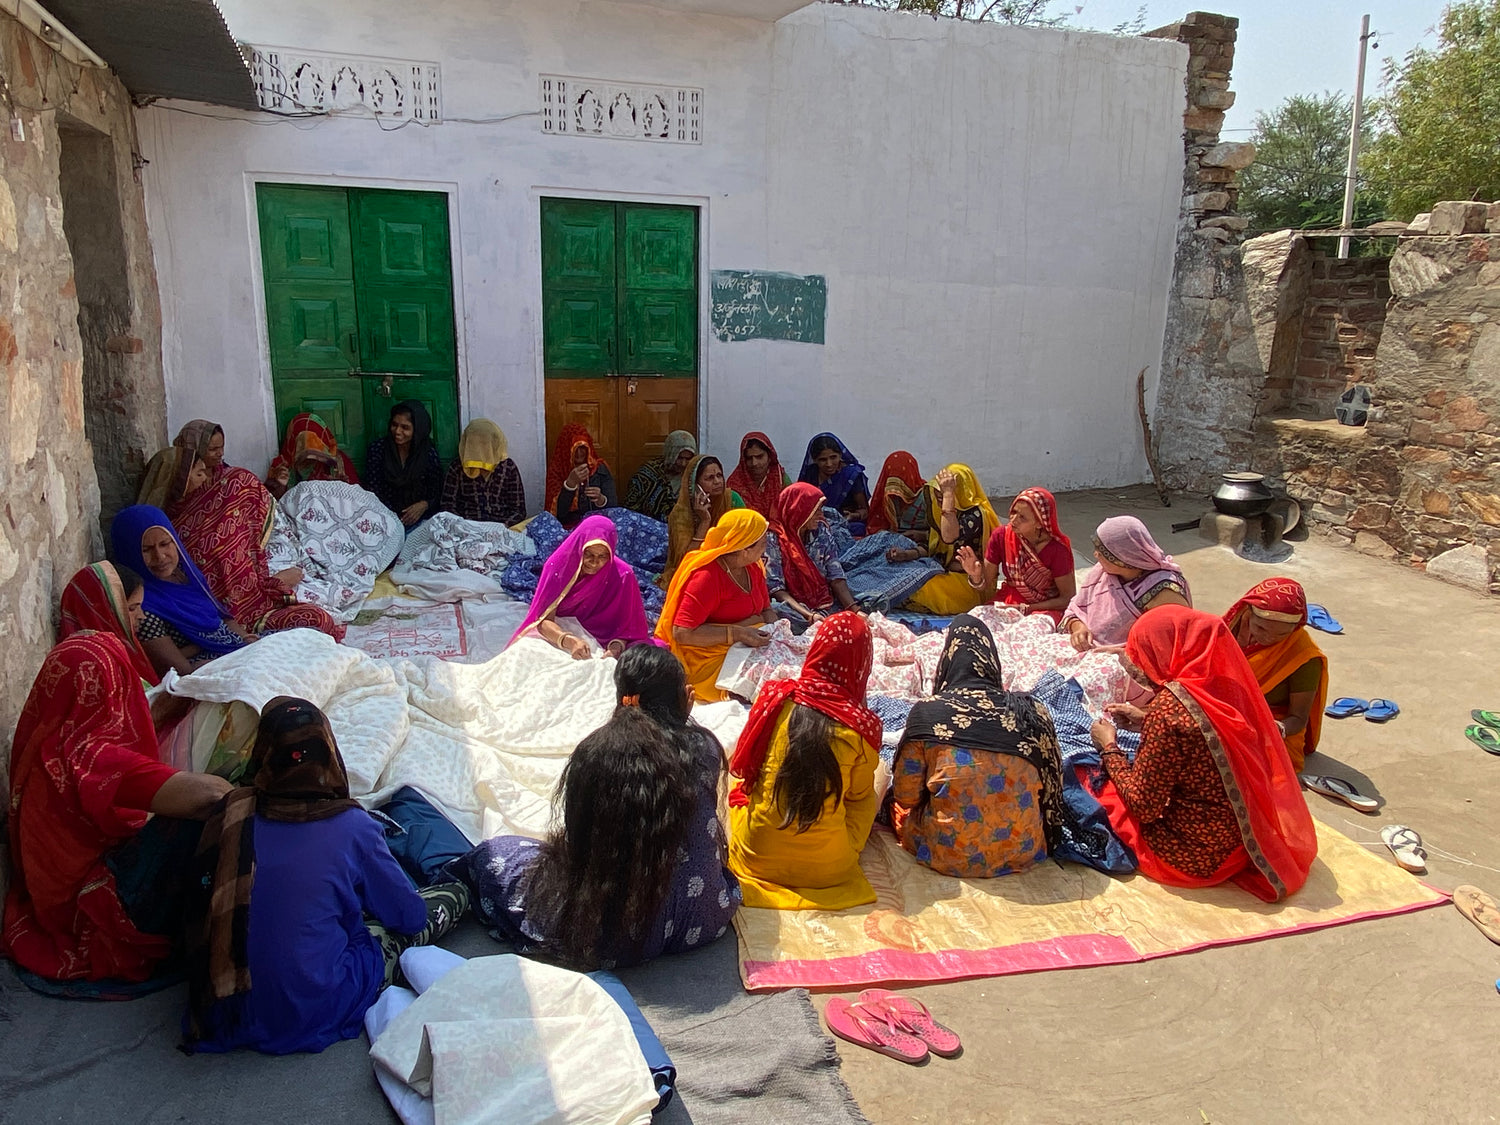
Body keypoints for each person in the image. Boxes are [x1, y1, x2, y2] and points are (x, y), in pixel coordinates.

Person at [182, 698, 467, 1054]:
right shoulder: (352, 826)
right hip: (311, 1004)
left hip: (225, 1005)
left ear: (263, 753)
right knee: (445, 897)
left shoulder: (233, 812)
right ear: (330, 751)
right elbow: (409, 918)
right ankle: (466, 889)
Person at [453, 646, 741, 969]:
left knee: (495, 855)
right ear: (683, 699)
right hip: (702, 918)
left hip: (619, 937)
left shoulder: (595, 754)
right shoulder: (704, 748)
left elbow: (580, 852)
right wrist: (684, 719)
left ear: (622, 697)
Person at [2, 603, 232, 985]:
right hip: (91, 910)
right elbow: (208, 796)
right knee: (201, 820)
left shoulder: (47, 745)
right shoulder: (93, 756)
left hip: (53, 898)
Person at [1088, 605, 1317, 902]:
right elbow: (1206, 733)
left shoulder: (1168, 711)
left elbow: (1143, 805)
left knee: (1094, 787)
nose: (1137, 663)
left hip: (1188, 859)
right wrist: (1145, 718)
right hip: (1239, 847)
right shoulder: (1231, 687)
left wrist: (1109, 746)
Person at [727, 612, 882, 910]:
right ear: (861, 664)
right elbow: (857, 797)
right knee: (878, 775)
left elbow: (750, 767)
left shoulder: (775, 698)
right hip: (829, 870)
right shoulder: (859, 730)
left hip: (756, 857)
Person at [891, 615, 1064, 878]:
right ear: (992, 661)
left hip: (946, 853)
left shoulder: (927, 713)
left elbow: (906, 795)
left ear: (947, 662)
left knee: (890, 803)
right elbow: (1052, 786)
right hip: (1024, 849)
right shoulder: (1031, 711)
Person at [144, 442, 344, 642]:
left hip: (253, 608)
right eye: (198, 474)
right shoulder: (167, 531)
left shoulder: (215, 511)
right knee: (314, 624)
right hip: (222, 624)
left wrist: (272, 585)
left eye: (205, 472)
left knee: (319, 619)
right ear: (177, 481)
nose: (206, 479)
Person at [111, 504, 253, 677]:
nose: (160, 557)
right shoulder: (142, 608)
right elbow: (181, 670)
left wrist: (248, 640)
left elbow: (221, 617)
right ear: (129, 553)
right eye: (146, 550)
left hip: (234, 648)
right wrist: (212, 646)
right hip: (208, 669)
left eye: (164, 544)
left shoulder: (186, 575)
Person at [654, 508, 776, 703]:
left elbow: (766, 611)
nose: (766, 548)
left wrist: (778, 633)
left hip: (749, 642)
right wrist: (739, 632)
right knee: (768, 684)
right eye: (762, 544)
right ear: (745, 549)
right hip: (707, 657)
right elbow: (682, 633)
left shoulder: (752, 567)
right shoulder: (707, 577)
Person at [508, 514, 657, 658]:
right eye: (588, 554)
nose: (594, 562)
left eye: (602, 556)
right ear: (579, 547)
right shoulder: (558, 568)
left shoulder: (623, 576)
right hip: (561, 631)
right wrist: (569, 641)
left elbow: (629, 628)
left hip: (605, 642)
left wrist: (615, 648)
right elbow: (543, 621)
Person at [1224, 578, 1329, 772]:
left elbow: (1298, 718)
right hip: (1224, 709)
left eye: (1281, 635)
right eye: (1261, 628)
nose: (1268, 638)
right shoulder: (1230, 627)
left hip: (1268, 723)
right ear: (1248, 613)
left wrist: (1275, 729)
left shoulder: (1304, 657)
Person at [1062, 516, 1191, 651]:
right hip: (1091, 650)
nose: (1096, 555)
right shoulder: (1102, 572)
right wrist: (1078, 627)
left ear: (1122, 557)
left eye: (1102, 552)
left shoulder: (1164, 591)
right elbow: (1076, 608)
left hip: (1131, 660)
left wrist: (1122, 653)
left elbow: (1171, 646)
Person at [958, 486, 1076, 622]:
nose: (1013, 520)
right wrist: (975, 575)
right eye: (1013, 512)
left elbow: (1067, 598)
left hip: (1044, 608)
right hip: (1009, 601)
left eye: (1022, 517)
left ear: (1039, 523)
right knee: (976, 619)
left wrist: (1028, 608)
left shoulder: (1057, 550)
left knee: (1032, 629)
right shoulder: (1001, 536)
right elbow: (984, 584)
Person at [906, 465, 1001, 616]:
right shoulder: (945, 511)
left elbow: (949, 537)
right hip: (946, 572)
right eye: (938, 496)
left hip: (970, 584)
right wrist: (923, 536)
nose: (940, 502)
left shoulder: (975, 514)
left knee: (918, 585)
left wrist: (948, 495)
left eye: (942, 497)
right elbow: (939, 542)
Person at [765, 481, 857, 623]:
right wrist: (809, 615)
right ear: (799, 510)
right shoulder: (773, 538)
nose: (820, 515)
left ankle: (828, 619)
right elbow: (776, 590)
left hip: (822, 599)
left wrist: (854, 609)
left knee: (874, 598)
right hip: (794, 606)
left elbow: (835, 574)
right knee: (775, 611)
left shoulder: (821, 531)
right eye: (815, 511)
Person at [59, 561, 158, 687]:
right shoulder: (90, 666)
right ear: (104, 612)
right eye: (132, 608)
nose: (142, 616)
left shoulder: (122, 652)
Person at [661, 454, 745, 586]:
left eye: (719, 475)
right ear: (694, 484)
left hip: (731, 565)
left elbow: (746, 540)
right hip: (697, 571)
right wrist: (705, 521)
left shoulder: (732, 499)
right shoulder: (680, 515)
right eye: (709, 478)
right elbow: (685, 562)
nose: (717, 481)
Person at [365, 400, 443, 528]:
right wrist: (392, 517)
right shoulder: (378, 450)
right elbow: (373, 489)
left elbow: (436, 490)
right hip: (384, 516)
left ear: (418, 429)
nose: (397, 431)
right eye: (394, 425)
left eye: (405, 427)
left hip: (420, 518)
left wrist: (423, 505)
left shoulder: (428, 454)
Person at [441, 418, 527, 525]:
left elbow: (519, 510)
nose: (479, 448)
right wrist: (463, 526)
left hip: (502, 528)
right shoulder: (457, 468)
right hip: (467, 528)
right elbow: (448, 505)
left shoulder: (508, 468)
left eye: (484, 443)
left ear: (495, 443)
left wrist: (503, 526)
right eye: (474, 443)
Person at [265, 413, 359, 500]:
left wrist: (339, 485)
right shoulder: (281, 466)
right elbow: (269, 504)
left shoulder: (338, 461)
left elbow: (355, 497)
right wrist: (281, 486)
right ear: (293, 442)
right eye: (302, 443)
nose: (308, 449)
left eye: (314, 443)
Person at [547, 423, 617, 529]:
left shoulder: (599, 469)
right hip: (569, 529)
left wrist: (600, 500)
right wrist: (570, 484)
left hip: (598, 526)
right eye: (575, 449)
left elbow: (613, 507)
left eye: (583, 448)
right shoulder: (558, 471)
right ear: (567, 449)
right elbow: (557, 515)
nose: (579, 454)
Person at [798, 433, 870, 532]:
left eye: (833, 457)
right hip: (816, 523)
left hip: (845, 524)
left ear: (840, 455)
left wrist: (853, 515)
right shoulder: (811, 473)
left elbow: (865, 510)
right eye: (823, 460)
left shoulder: (851, 475)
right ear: (814, 460)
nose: (829, 464)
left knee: (858, 528)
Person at [624, 429, 697, 520]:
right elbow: (630, 509)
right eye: (679, 458)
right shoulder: (647, 475)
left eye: (688, 459)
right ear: (670, 453)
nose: (683, 463)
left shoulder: (694, 476)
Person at [864, 451, 930, 548]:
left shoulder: (928, 497)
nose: (896, 491)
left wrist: (923, 535)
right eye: (892, 484)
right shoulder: (886, 495)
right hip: (890, 544)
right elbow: (875, 525)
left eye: (901, 484)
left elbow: (942, 534)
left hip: (920, 546)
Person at [726, 431, 791, 520]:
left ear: (769, 457)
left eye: (759, 457)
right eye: (749, 458)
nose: (754, 463)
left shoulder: (781, 479)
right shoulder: (734, 484)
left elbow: (791, 513)